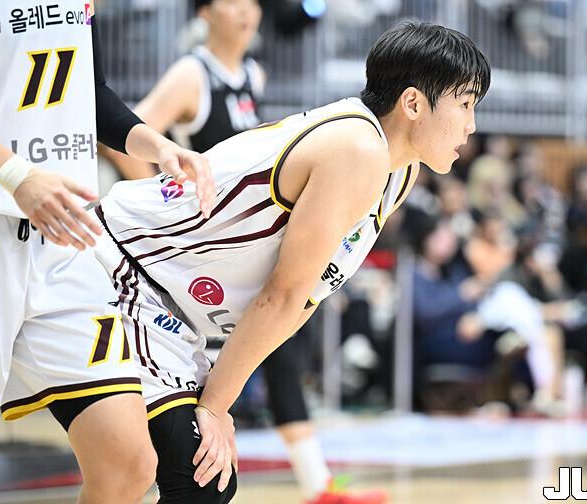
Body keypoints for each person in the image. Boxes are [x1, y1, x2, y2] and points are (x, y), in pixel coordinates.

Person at [91, 21, 489, 503]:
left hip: (173, 302)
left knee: (191, 478)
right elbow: (283, 293)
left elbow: (305, 297)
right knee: (194, 475)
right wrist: (215, 406)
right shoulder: (357, 148)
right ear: (412, 103)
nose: (471, 124)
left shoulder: (399, 170)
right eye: (465, 104)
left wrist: (217, 398)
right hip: (123, 262)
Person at [102, 0, 386, 501]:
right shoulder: (192, 73)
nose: (246, 11)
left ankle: (316, 483)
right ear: (204, 12)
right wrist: (161, 198)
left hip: (234, 247)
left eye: (252, 2)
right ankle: (313, 483)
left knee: (276, 345)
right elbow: (122, 137)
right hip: (181, 253)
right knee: (215, 406)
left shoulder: (253, 73)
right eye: (231, 1)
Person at [0, 2, 215, 503]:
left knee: (128, 464)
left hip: (65, 239)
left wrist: (158, 146)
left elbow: (91, 92)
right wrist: (15, 175)